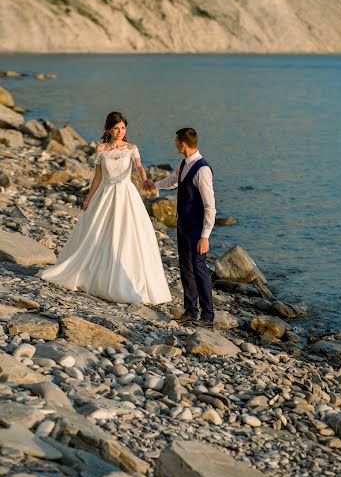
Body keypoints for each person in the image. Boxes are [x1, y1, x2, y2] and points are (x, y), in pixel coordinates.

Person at [37, 112, 171, 305]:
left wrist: (144, 180)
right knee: (99, 233)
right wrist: (88, 198)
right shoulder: (101, 149)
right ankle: (96, 275)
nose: (120, 131)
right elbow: (98, 178)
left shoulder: (132, 148)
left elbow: (139, 166)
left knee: (129, 235)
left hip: (127, 195)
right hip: (105, 194)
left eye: (123, 128)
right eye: (116, 128)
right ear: (108, 129)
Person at [145, 128, 216, 327]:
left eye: (176, 141)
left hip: (197, 229)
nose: (175, 144)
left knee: (199, 268)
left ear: (183, 143)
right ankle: (190, 310)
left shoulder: (202, 170)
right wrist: (155, 185)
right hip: (183, 225)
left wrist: (205, 236)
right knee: (185, 267)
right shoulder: (184, 163)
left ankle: (208, 316)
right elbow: (173, 181)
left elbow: (210, 206)